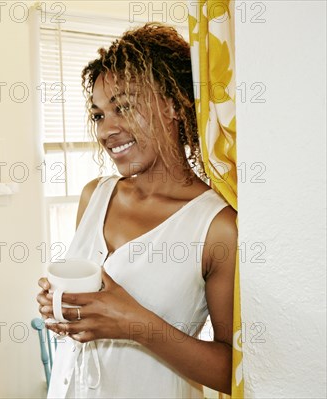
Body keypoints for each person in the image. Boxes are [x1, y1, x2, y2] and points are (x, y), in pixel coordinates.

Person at [36, 23, 237, 398]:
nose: (106, 130)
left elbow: (232, 372)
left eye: (123, 107)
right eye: (98, 115)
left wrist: (136, 324)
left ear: (175, 104)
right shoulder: (94, 195)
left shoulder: (216, 226)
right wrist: (62, 304)